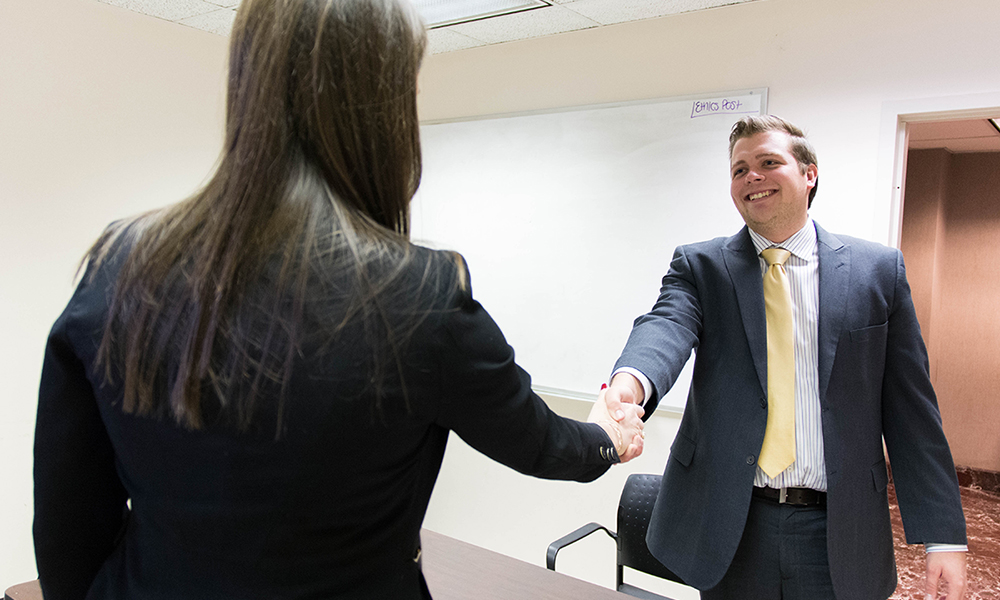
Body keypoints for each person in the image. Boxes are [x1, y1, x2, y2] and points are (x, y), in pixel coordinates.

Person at [31, 1, 645, 598]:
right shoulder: (421, 294)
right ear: (382, 113)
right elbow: (534, 438)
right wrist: (606, 440)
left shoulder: (121, 265)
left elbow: (66, 532)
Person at [604, 115, 967, 599]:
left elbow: (912, 412)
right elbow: (666, 325)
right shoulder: (702, 267)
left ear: (809, 173)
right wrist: (632, 382)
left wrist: (943, 535)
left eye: (768, 162)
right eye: (738, 169)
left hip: (838, 528)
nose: (751, 176)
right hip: (733, 525)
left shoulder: (877, 271)